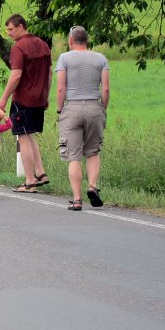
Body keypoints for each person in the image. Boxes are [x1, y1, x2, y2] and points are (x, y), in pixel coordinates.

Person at [55, 26, 110, 211]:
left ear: (71, 40)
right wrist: (102, 108)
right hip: (95, 107)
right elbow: (106, 89)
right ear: (87, 40)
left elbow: (61, 88)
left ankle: (77, 199)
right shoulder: (101, 58)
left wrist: (59, 110)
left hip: (72, 109)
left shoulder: (64, 58)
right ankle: (92, 187)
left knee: (73, 155)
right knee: (93, 152)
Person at [0, 14, 53, 192]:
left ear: (21, 26)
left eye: (11, 29)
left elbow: (16, 75)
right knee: (29, 135)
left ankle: (29, 180)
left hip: (23, 98)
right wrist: (46, 95)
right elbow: (50, 73)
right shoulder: (43, 45)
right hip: (39, 99)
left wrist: (4, 98)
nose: (9, 34)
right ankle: (41, 172)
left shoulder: (19, 47)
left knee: (23, 137)